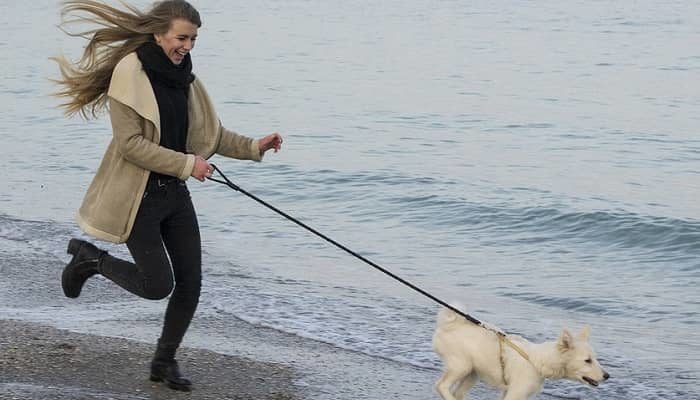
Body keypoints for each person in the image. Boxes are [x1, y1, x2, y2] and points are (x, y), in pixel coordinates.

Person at [52, 0, 283, 392]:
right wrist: (187, 165)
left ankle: (164, 362)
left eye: (193, 38)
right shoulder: (129, 74)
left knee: (191, 282)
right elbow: (130, 145)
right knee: (158, 285)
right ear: (159, 33)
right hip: (138, 197)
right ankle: (90, 260)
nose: (188, 46)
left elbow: (209, 135)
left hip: (174, 195)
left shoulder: (184, 77)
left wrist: (254, 146)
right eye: (181, 37)